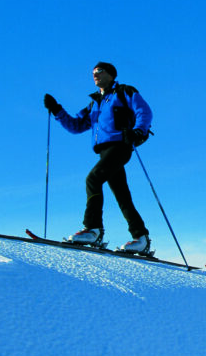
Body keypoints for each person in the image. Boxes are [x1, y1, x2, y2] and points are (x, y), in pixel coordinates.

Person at [43, 62, 153, 254]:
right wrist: (57, 110)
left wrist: (138, 131)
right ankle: (141, 238)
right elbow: (76, 126)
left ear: (111, 75)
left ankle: (93, 229)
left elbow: (144, 111)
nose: (95, 75)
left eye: (99, 71)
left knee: (93, 179)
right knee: (122, 196)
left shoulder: (124, 92)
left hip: (120, 145)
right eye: (93, 73)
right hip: (104, 151)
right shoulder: (94, 104)